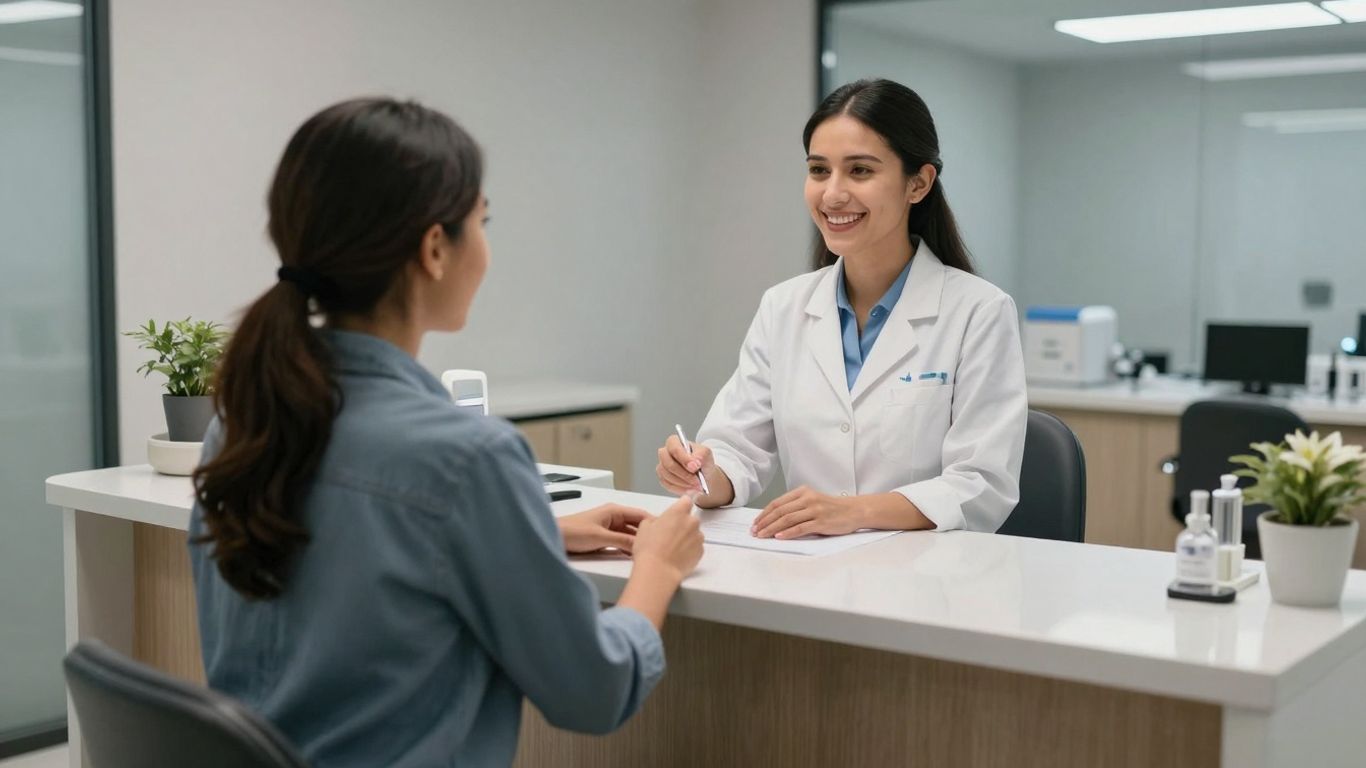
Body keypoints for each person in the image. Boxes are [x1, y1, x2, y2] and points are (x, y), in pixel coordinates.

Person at [188, 97, 703, 768]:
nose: (485, 250)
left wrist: (533, 535)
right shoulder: (466, 458)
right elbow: (594, 692)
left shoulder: (240, 422)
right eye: (481, 223)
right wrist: (658, 570)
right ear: (435, 248)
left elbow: (360, 562)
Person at [657, 78, 1026, 538]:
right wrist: (701, 473)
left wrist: (855, 512)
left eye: (860, 171)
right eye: (818, 170)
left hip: (929, 581)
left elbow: (982, 484)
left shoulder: (979, 312)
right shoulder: (783, 306)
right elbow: (737, 451)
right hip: (811, 571)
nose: (832, 194)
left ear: (918, 183)